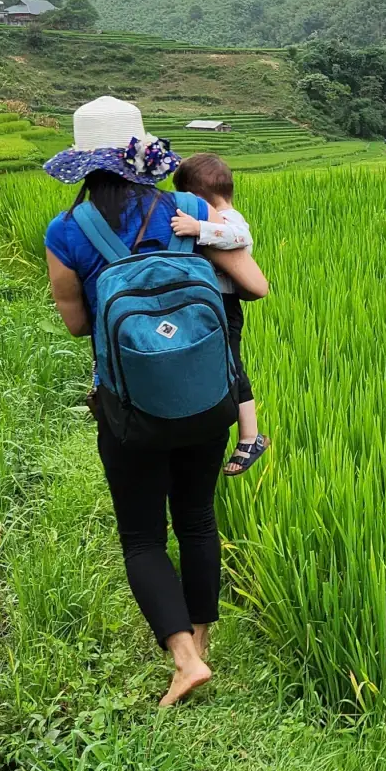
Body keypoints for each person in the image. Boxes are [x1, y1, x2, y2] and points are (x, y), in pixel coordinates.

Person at [39, 96, 270, 707]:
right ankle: (201, 640)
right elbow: (252, 282)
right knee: (197, 519)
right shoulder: (189, 209)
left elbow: (77, 324)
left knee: (142, 537)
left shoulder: (67, 231)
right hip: (207, 398)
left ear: (84, 164)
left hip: (129, 409)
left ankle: (185, 659)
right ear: (142, 155)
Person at [171, 153, 269, 476]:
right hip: (210, 304)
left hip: (226, 306)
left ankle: (251, 437)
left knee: (232, 366)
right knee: (218, 367)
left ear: (196, 196)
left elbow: (241, 239)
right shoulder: (217, 216)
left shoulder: (229, 218)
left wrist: (198, 227)